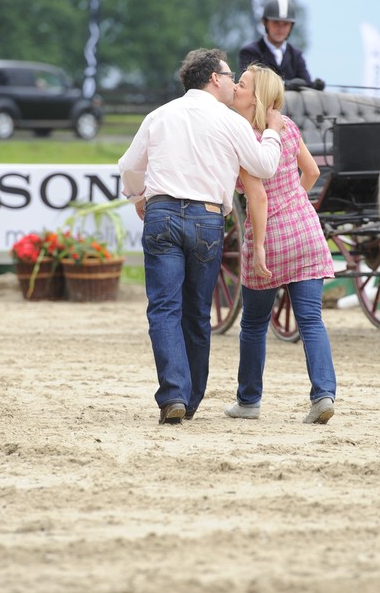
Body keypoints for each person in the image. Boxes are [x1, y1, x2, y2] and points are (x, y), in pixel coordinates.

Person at [118, 48, 284, 426]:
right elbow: (264, 167)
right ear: (214, 78)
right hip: (206, 218)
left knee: (163, 307)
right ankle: (189, 400)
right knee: (197, 312)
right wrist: (272, 133)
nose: (232, 81)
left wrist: (137, 196)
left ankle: (173, 393)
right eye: (229, 76)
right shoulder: (231, 122)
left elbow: (128, 166)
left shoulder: (159, 115)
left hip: (161, 212)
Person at [224, 64, 336, 424]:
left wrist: (257, 248)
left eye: (241, 85)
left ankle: (249, 401)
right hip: (306, 231)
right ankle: (323, 395)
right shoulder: (286, 126)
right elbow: (313, 173)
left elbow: (256, 198)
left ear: (255, 97)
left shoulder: (243, 137)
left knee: (254, 324)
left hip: (271, 238)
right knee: (311, 320)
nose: (235, 89)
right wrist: (293, 204)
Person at [239, 0, 325, 91]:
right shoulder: (250, 52)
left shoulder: (296, 55)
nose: (280, 28)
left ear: (291, 26)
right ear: (265, 22)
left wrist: (315, 86)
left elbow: (306, 83)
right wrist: (285, 85)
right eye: (276, 23)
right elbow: (253, 83)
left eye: (285, 24)